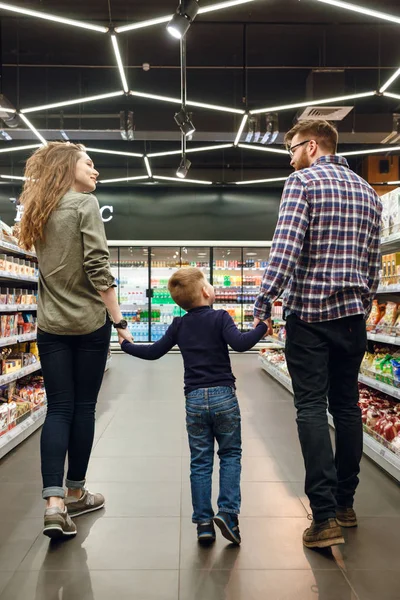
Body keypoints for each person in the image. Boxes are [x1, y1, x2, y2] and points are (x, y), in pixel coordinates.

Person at [253, 120, 382, 549]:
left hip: (309, 317)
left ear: (311, 146)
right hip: (352, 318)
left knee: (310, 406)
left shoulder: (303, 183)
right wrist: (362, 306)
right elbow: (373, 265)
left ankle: (323, 517)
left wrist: (264, 300)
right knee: (346, 407)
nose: (289, 158)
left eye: (291, 149)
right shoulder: (369, 193)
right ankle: (346, 504)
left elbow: (285, 249)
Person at [19, 142, 133, 540]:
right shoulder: (85, 204)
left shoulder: (40, 210)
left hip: (50, 325)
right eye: (89, 163)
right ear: (69, 167)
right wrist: (119, 321)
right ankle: (76, 492)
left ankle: (53, 505)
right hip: (87, 324)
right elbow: (98, 267)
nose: (95, 171)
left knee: (58, 409)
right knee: (83, 409)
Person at [120, 267, 271, 545]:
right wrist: (262, 326)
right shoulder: (220, 317)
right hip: (224, 396)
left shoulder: (179, 324)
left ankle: (203, 522)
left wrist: (126, 345)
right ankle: (227, 513)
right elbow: (240, 344)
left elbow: (153, 352)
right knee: (230, 454)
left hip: (194, 400)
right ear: (205, 292)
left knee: (200, 461)